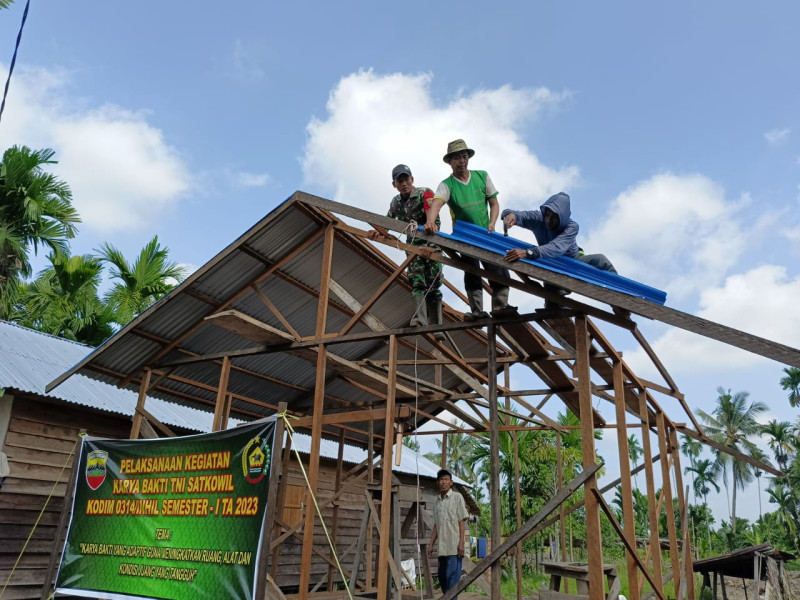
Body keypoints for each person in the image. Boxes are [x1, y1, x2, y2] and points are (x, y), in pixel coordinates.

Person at [424, 139, 512, 320]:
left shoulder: (482, 176)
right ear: (450, 162)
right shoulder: (447, 184)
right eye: (457, 158)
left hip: (486, 234)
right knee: (472, 271)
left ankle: (500, 306)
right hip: (465, 237)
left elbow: (494, 203)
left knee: (498, 268)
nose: (461, 161)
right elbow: (437, 203)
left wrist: (492, 223)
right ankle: (477, 310)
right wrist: (430, 222)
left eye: (464, 157)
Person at [501, 191, 617, 308]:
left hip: (573, 262)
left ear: (563, 217)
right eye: (547, 215)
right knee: (552, 302)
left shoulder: (571, 227)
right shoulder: (539, 218)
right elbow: (519, 215)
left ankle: (618, 300)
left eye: (554, 217)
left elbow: (556, 247)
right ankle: (553, 302)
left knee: (600, 259)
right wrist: (510, 215)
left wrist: (529, 252)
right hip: (550, 263)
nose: (548, 220)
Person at [369, 164, 444, 338]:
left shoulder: (425, 193)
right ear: (394, 184)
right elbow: (387, 222)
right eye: (400, 181)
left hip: (432, 244)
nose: (404, 184)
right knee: (417, 282)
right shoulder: (396, 202)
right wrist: (377, 231)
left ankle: (437, 328)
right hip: (413, 247)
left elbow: (434, 220)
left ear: (412, 179)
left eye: (406, 179)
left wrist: (430, 244)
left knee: (433, 285)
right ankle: (421, 319)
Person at [428, 468, 468, 600]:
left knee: (452, 580)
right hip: (442, 549)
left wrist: (461, 543)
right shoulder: (437, 501)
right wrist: (431, 544)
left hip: (454, 547)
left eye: (446, 479)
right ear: (438, 483)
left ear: (451, 482)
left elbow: (461, 521)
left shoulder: (457, 497)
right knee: (442, 578)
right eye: (441, 480)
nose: (443, 482)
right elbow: (436, 525)